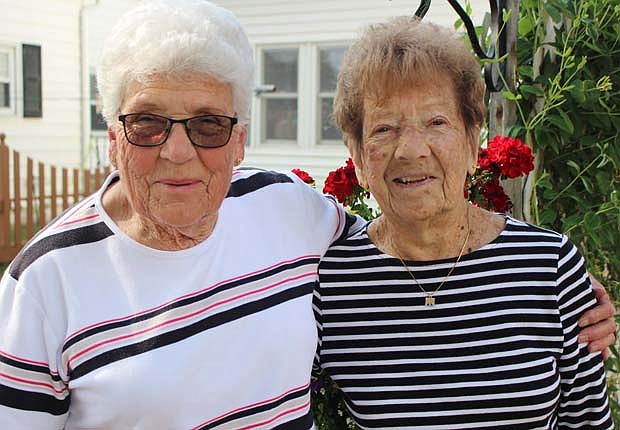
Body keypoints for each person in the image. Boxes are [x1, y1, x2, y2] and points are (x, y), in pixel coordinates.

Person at [0, 2, 613, 429]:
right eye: (148, 122)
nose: (177, 150)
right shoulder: (42, 285)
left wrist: (575, 284)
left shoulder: (285, 213)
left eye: (436, 123)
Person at [314, 16, 615, 429]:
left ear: (473, 141)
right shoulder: (332, 281)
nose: (411, 149)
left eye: (436, 123)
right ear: (359, 156)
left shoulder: (549, 266)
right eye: (384, 128)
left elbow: (587, 423)